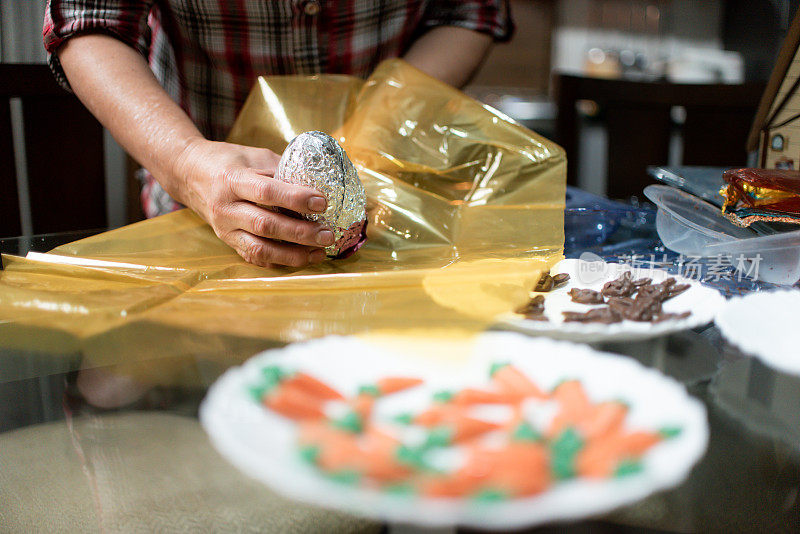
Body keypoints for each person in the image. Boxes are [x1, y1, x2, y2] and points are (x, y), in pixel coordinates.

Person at [43, 1, 512, 267]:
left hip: (393, 218)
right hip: (198, 221)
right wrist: (187, 163)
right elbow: (89, 22)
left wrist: (382, 122)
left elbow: (469, 12)